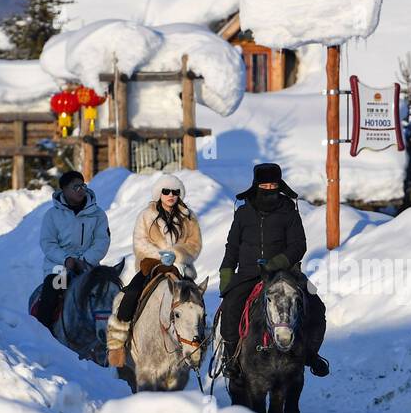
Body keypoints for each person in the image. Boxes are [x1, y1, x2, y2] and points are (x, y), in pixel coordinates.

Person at [217, 162, 328, 377]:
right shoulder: (242, 213)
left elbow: (299, 245)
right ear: (256, 185)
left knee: (316, 303)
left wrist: (275, 264)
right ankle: (231, 359)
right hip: (248, 273)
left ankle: (311, 355)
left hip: (285, 272)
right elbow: (232, 247)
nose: (269, 190)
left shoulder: (289, 211)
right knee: (230, 308)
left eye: (273, 186)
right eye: (264, 186)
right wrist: (226, 275)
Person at [105, 173, 202, 368]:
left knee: (196, 302)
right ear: (159, 194)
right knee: (130, 295)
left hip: (180, 268)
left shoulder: (188, 217)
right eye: (166, 191)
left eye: (175, 192)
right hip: (151, 266)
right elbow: (139, 242)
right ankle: (118, 345)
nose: (171, 195)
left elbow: (194, 244)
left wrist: (177, 254)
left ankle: (197, 344)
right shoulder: (146, 215)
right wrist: (159, 255)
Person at [32, 170, 110, 329]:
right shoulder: (52, 215)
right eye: (76, 187)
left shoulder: (97, 214)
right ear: (64, 190)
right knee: (53, 290)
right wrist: (66, 259)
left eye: (83, 186)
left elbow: (102, 241)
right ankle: (43, 334)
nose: (81, 190)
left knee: (107, 291)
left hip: (89, 267)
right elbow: (48, 243)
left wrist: (85, 260)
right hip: (59, 268)